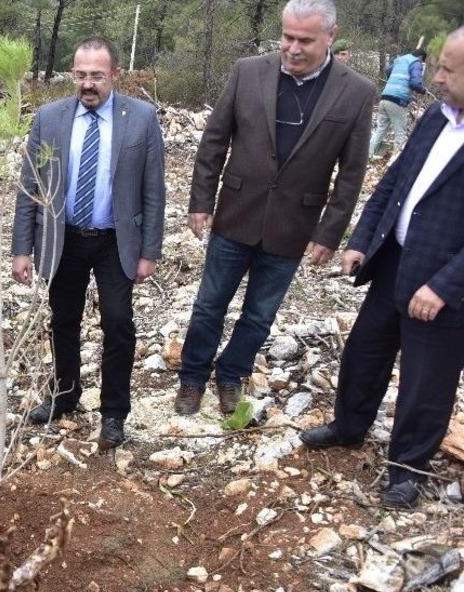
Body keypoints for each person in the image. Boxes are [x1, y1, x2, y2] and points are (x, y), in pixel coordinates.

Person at [175, 0, 374, 416]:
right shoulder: (248, 71)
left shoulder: (356, 92)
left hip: (293, 225)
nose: (293, 48)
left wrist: (328, 232)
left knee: (260, 313)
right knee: (209, 304)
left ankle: (231, 374)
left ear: (330, 37)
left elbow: (351, 173)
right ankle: (192, 378)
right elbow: (214, 141)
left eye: (305, 40)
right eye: (287, 37)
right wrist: (200, 202)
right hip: (235, 212)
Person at [300, 28, 464, 509]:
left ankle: (407, 468)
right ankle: (349, 426)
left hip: (443, 285)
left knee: (426, 379)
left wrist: (445, 286)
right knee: (365, 352)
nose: (436, 78)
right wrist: (362, 241)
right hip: (395, 260)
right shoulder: (436, 116)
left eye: (449, 70)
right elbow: (395, 181)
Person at [11, 36, 165, 448]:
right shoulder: (49, 118)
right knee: (63, 319)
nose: (87, 84)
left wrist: (150, 250)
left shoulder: (142, 118)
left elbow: (154, 190)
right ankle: (65, 395)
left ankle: (114, 412)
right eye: (80, 75)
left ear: (114, 73)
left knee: (118, 322)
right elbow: (31, 186)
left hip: (117, 239)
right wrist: (22, 248)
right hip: (65, 239)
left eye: (97, 75)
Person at [369, 48, 427, 158]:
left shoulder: (400, 60)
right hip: (398, 100)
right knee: (400, 132)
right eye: (422, 61)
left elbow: (388, 71)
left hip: (385, 97)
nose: (422, 64)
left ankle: (368, 155)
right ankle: (396, 160)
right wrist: (422, 89)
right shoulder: (416, 63)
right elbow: (415, 83)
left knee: (380, 130)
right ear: (421, 58)